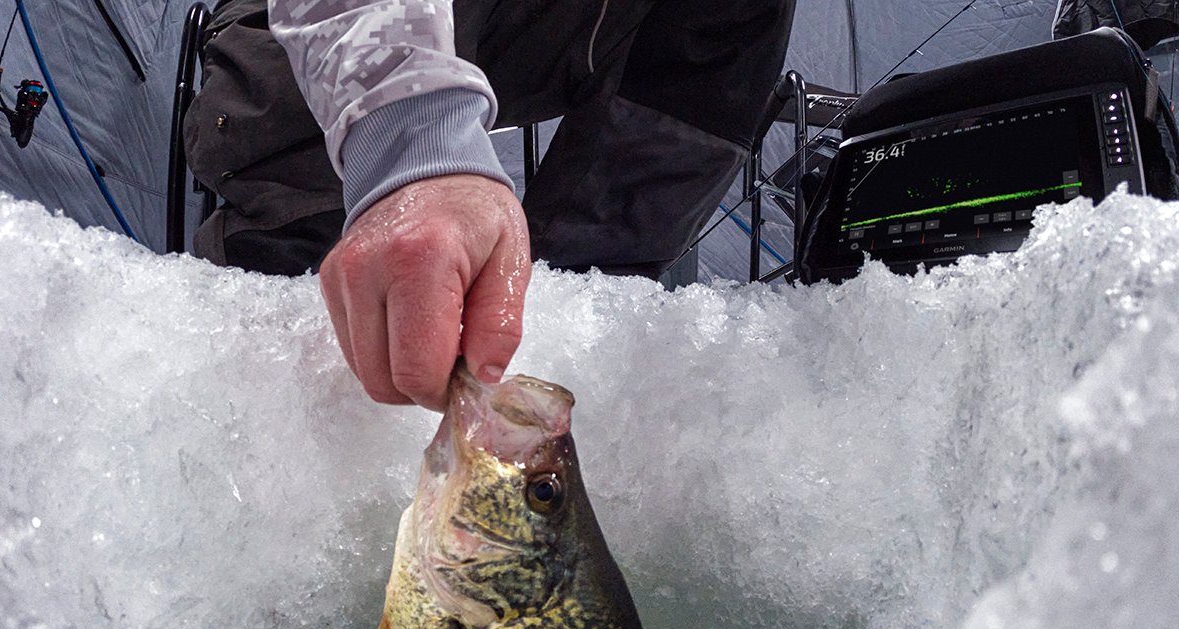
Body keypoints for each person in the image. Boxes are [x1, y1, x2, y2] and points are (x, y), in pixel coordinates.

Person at [186, 0, 796, 410]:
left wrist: (575, 318)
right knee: (349, 329)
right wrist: (412, 137)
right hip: (318, 29)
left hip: (557, 31)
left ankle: (573, 305)